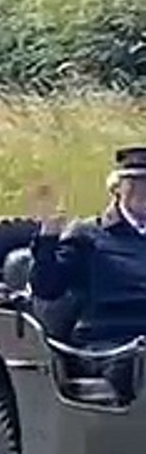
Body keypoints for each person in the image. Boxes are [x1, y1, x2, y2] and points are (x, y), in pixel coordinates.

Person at [29, 145, 146, 347]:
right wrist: (48, 240)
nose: (144, 191)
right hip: (109, 342)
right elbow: (47, 288)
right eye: (136, 183)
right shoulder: (87, 235)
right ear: (117, 188)